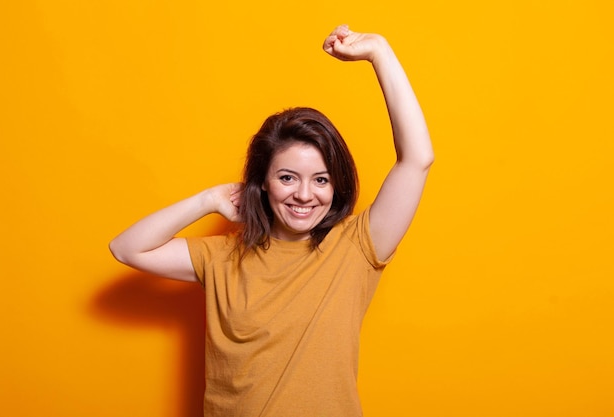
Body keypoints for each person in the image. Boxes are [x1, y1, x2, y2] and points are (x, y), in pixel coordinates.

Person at [110, 24, 433, 417]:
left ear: (337, 185)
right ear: (263, 181)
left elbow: (416, 160)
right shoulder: (222, 257)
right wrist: (208, 199)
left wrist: (380, 53)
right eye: (287, 178)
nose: (303, 194)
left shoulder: (356, 247)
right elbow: (126, 248)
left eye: (321, 180)